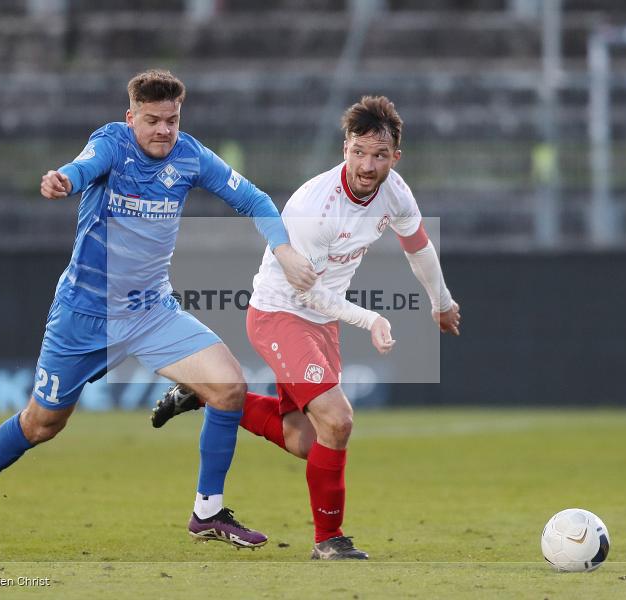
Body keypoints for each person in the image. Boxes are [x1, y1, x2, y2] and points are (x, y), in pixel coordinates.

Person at [0, 69, 316, 550]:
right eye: (153, 120)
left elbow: (254, 199)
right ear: (131, 118)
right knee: (43, 423)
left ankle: (207, 511)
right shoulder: (112, 144)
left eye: (172, 120)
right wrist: (65, 180)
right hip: (85, 314)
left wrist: (284, 250)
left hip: (151, 312)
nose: (164, 130)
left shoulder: (190, 156)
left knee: (229, 388)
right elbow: (83, 166)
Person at [151, 96, 461, 560]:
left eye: (379, 155)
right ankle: (328, 541)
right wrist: (371, 318)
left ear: (395, 158)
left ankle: (207, 393)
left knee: (307, 441)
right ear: (345, 149)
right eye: (359, 152)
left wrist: (440, 302)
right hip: (281, 313)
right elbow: (306, 293)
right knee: (339, 420)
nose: (367, 165)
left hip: (320, 321)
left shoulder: (396, 192)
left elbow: (417, 246)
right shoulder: (315, 207)